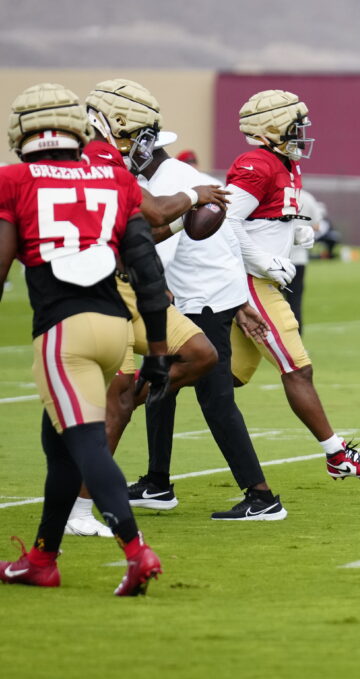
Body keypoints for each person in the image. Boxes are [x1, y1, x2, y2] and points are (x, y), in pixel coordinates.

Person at [0, 83, 169, 594]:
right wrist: (157, 352)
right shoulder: (114, 179)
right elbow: (148, 272)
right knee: (61, 448)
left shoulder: (15, 179)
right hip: (115, 329)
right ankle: (42, 559)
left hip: (63, 332)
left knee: (86, 444)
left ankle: (137, 551)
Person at [65, 78, 228, 536]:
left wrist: (179, 222)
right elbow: (154, 212)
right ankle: (77, 511)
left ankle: (126, 397)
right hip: (100, 291)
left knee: (200, 355)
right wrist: (196, 196)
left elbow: (142, 228)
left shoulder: (104, 159)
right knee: (115, 402)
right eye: (141, 135)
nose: (146, 146)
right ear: (116, 125)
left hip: (130, 285)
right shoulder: (96, 155)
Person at [223, 89, 360, 481]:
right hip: (251, 283)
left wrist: (294, 232)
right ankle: (338, 455)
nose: (302, 132)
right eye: (296, 125)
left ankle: (137, 397)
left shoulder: (285, 164)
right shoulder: (256, 164)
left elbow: (262, 218)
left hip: (260, 280)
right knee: (297, 368)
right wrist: (262, 259)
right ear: (273, 127)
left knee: (220, 375)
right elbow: (223, 223)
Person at [128, 133, 288, 521]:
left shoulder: (169, 183)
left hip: (201, 301)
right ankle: (157, 482)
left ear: (145, 149)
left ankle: (261, 496)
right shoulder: (179, 176)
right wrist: (241, 302)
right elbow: (228, 237)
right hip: (206, 297)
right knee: (161, 384)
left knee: (214, 398)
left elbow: (151, 250)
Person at [286, 188, 324, 332]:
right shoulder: (307, 197)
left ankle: (276, 345)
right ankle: (296, 345)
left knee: (270, 305)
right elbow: (316, 225)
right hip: (298, 259)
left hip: (275, 259)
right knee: (294, 303)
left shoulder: (273, 193)